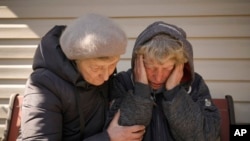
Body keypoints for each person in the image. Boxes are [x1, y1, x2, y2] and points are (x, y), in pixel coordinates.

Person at [19, 13, 145, 141]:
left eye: (113, 65)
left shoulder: (108, 80)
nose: (106, 76)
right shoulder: (44, 85)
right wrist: (108, 138)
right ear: (75, 61)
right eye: (97, 68)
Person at [108, 21, 221, 141]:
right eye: (150, 67)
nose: (158, 77)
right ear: (138, 62)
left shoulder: (194, 84)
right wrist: (141, 91)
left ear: (180, 65)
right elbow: (120, 135)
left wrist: (174, 93)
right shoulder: (123, 82)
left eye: (167, 68)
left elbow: (206, 136)